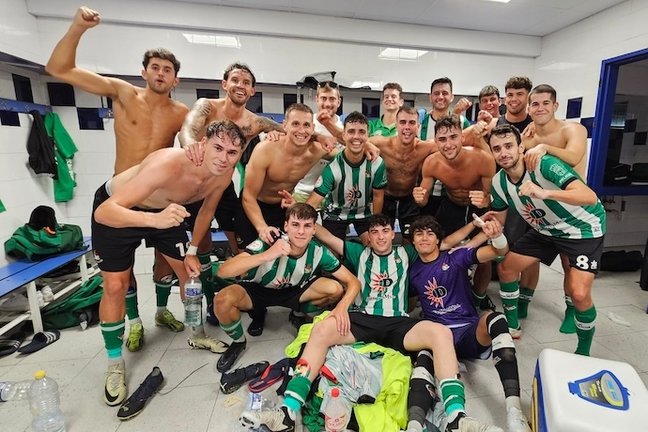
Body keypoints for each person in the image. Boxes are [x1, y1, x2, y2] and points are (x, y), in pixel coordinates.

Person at [239, 214, 502, 432]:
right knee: (321, 330)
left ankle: (456, 417)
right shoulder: (356, 252)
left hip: (398, 321)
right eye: (373, 232)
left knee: (441, 334)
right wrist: (298, 213)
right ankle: (288, 412)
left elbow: (444, 243)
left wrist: (478, 228)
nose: (379, 236)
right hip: (362, 319)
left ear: (393, 233)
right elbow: (322, 233)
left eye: (385, 231)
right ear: (368, 236)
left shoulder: (408, 252)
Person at [45, 6, 189, 352]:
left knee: (170, 265)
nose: (160, 73)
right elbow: (59, 68)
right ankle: (133, 323)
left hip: (160, 199)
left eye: (167, 70)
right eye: (155, 67)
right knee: (117, 278)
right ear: (144, 72)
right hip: (122, 198)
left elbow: (194, 148)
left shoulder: (181, 113)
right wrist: (78, 27)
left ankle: (160, 312)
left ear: (176, 80)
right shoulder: (123, 93)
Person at [92, 121, 245, 406]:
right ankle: (115, 364)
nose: (224, 158)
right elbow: (104, 212)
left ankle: (197, 334)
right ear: (203, 144)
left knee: (190, 276)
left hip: (164, 211)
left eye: (233, 152)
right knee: (115, 285)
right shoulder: (168, 163)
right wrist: (153, 220)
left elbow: (206, 213)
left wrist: (191, 250)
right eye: (218, 148)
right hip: (120, 210)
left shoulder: (224, 174)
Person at [179, 62, 284, 326]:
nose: (240, 85)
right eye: (235, 80)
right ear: (224, 84)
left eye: (246, 82)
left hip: (223, 187)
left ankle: (238, 296)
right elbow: (189, 127)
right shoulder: (207, 106)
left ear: (252, 91)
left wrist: (277, 134)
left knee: (239, 246)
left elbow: (286, 130)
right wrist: (190, 143)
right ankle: (209, 302)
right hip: (193, 184)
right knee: (199, 246)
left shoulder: (254, 122)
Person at [487, 124, 605, 356]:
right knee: (507, 267)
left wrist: (545, 193)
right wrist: (490, 227)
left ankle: (583, 351)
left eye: (509, 146)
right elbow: (499, 221)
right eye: (497, 148)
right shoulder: (498, 182)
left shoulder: (544, 164)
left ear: (521, 147)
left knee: (579, 293)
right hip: (545, 230)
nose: (504, 153)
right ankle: (513, 326)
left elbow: (589, 196)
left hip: (581, 229)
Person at [408, 215, 531, 432]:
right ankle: (416, 424)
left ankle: (514, 411)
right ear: (413, 241)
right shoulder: (413, 271)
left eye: (430, 233)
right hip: (438, 336)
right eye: (419, 234)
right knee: (422, 357)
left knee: (497, 319)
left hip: (467, 330)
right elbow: (408, 306)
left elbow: (499, 252)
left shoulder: (455, 257)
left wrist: (497, 236)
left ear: (438, 240)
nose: (424, 238)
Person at [213, 203, 360, 372]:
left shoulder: (319, 251)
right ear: (286, 226)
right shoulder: (269, 240)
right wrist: (266, 255)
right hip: (258, 290)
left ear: (314, 230)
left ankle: (297, 313)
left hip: (294, 291)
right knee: (223, 300)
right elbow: (224, 271)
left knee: (335, 289)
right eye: (295, 225)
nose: (301, 232)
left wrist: (342, 307)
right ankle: (238, 342)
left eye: (307, 226)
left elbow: (353, 282)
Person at [237, 103, 336, 334]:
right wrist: (261, 227)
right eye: (295, 124)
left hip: (282, 208)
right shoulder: (266, 149)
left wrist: (369, 147)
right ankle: (258, 312)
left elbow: (352, 147)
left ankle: (294, 304)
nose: (301, 130)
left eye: (306, 125)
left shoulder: (317, 149)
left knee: (288, 258)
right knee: (254, 263)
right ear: (284, 125)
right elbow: (248, 196)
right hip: (254, 207)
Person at [519, 84, 591, 331]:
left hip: (572, 209)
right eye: (535, 104)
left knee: (568, 264)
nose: (540, 108)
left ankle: (572, 310)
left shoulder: (574, 129)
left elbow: (574, 157)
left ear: (555, 105)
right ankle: (524, 300)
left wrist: (544, 147)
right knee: (529, 258)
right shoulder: (529, 135)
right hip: (543, 207)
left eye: (545, 103)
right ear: (529, 109)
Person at [413, 115, 496, 309]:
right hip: (452, 204)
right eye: (442, 139)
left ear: (462, 137)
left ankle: (479, 295)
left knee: (484, 256)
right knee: (440, 249)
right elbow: (423, 198)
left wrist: (486, 199)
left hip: (479, 207)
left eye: (453, 137)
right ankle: (444, 292)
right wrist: (419, 197)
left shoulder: (483, 159)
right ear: (436, 141)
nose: (448, 144)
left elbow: (494, 196)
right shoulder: (432, 163)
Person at [306, 111, 387, 245]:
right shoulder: (333, 168)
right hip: (335, 214)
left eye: (361, 132)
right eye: (351, 131)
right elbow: (312, 203)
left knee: (374, 246)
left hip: (364, 213)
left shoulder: (377, 164)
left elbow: (378, 196)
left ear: (368, 135)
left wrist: (374, 225)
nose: (356, 136)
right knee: (333, 254)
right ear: (343, 135)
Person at [496, 77, 539, 322]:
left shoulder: (536, 125)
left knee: (533, 253)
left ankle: (524, 302)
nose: (514, 99)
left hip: (533, 197)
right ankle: (511, 295)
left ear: (528, 97)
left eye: (519, 94)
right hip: (504, 194)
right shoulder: (496, 123)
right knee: (509, 248)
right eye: (510, 94)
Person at [368, 107, 438, 238]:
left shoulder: (425, 147)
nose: (407, 127)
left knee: (411, 240)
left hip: (409, 199)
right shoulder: (381, 143)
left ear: (418, 126)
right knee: (380, 239)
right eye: (403, 122)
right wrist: (366, 144)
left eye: (412, 123)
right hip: (385, 198)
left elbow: (454, 145)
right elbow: (354, 141)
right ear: (396, 124)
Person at [292, 81, 344, 203]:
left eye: (332, 99)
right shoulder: (306, 123)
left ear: (339, 101)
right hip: (303, 191)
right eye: (323, 98)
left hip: (332, 194)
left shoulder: (344, 128)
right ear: (316, 99)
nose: (327, 103)